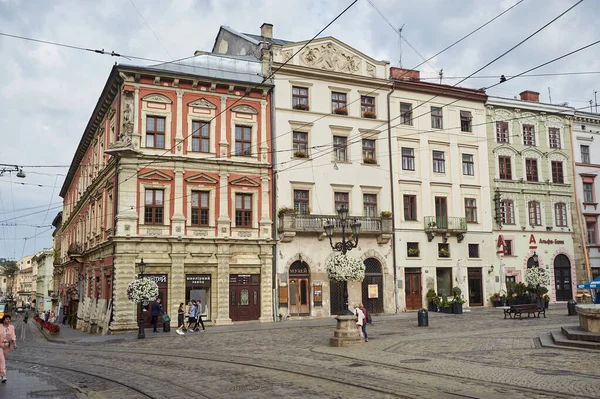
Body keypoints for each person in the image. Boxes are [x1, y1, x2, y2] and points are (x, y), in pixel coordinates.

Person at [0, 315, 17, 383]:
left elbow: (13, 336)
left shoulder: (11, 327)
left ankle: (1, 373)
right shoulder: (0, 326)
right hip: (0, 346)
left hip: (7, 346)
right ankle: (3, 376)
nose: (8, 320)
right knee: (2, 360)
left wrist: (15, 344)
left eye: (9, 319)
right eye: (7, 319)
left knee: (2, 360)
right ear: (3, 320)